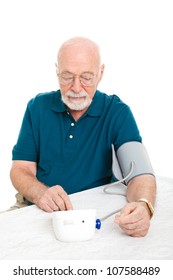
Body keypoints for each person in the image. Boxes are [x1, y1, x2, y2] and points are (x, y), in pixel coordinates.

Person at [10, 36, 156, 237]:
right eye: (67, 77)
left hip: (93, 210)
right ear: (57, 72)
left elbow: (140, 174)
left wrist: (143, 205)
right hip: (35, 205)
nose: (76, 88)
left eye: (86, 77)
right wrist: (40, 193)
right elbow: (20, 170)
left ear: (100, 73)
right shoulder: (37, 108)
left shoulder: (117, 112)